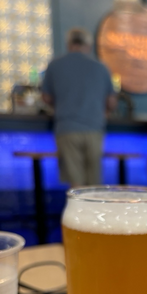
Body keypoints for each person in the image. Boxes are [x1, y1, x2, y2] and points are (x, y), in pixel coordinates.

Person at [42, 28, 116, 188]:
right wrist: (104, 113)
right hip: (94, 129)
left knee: (76, 184)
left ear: (69, 44)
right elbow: (111, 102)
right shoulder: (101, 68)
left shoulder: (54, 65)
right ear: (88, 45)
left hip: (67, 129)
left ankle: (77, 212)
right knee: (94, 184)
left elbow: (46, 97)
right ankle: (94, 213)